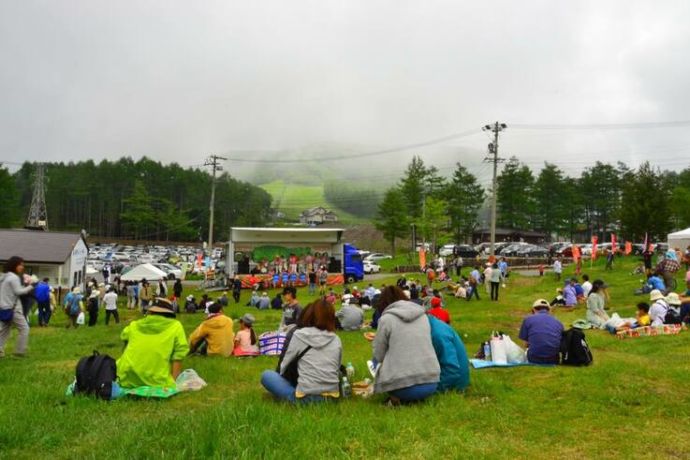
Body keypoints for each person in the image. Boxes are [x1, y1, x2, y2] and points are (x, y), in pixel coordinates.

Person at [261, 300, 342, 403]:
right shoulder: (336, 338)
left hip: (305, 398)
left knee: (267, 375)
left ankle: (292, 396)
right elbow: (337, 367)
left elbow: (283, 367)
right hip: (332, 398)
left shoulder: (299, 335)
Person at [371, 286, 440, 405]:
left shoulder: (386, 319)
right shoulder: (423, 316)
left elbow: (378, 355)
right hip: (432, 382)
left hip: (402, 387)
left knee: (375, 362)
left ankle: (397, 398)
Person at [117, 298, 189, 388]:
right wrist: (174, 382)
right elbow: (179, 354)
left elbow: (124, 336)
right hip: (157, 381)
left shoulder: (134, 325)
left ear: (150, 312)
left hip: (126, 378)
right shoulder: (176, 326)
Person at [0, 257, 33, 357]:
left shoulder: (4, 277)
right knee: (24, 328)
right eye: (20, 265)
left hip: (3, 307)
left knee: (5, 331)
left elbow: (12, 291)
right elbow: (19, 292)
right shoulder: (14, 277)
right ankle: (19, 351)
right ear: (14, 265)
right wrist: (32, 286)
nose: (22, 267)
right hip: (13, 309)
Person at [426, 315, 469, 392]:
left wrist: (433, 390)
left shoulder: (437, 334)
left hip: (453, 385)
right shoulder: (434, 325)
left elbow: (451, 370)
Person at [518, 299, 564, 364]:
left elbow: (525, 344)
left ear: (533, 309)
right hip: (554, 359)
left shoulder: (528, 319)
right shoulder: (558, 322)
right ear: (549, 310)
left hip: (534, 358)